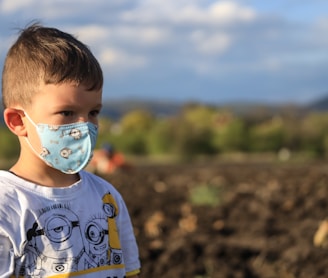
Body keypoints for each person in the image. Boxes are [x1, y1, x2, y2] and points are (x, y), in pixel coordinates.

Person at [0, 23, 140, 277]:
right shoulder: (7, 206)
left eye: (93, 113)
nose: (84, 126)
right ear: (18, 121)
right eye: (67, 112)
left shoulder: (107, 198)